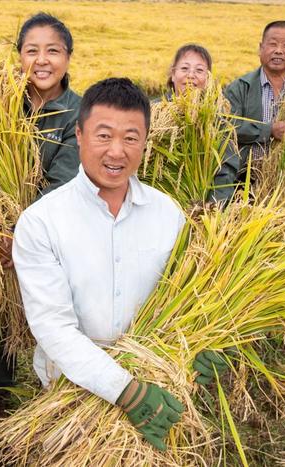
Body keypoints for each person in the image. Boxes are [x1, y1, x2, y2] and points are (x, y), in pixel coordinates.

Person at [12, 78, 228, 451]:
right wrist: (125, 391)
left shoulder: (168, 214)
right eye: (104, 135)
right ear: (78, 135)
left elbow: (184, 298)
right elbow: (53, 327)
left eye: (131, 138)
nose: (116, 152)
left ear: (145, 141)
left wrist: (205, 344)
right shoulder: (41, 221)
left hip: (157, 386)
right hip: (70, 392)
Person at [0, 12, 82, 416]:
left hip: (57, 229)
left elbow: (62, 181)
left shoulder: (79, 110)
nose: (42, 60)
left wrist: (20, 233)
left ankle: (56, 394)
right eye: (32, 51)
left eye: (53, 51)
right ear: (19, 56)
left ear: (68, 57)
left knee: (57, 308)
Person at [225, 21, 285, 170]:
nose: (279, 51)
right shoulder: (239, 87)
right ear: (261, 48)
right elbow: (227, 126)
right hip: (246, 177)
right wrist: (268, 131)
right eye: (273, 44)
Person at [165, 44, 240, 204]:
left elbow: (226, 171)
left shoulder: (218, 119)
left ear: (208, 80)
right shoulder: (152, 112)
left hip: (200, 207)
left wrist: (211, 206)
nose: (191, 75)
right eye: (184, 68)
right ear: (173, 74)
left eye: (199, 71)